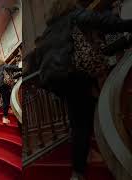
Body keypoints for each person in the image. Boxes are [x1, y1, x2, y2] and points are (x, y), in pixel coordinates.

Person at [39, 0, 132, 179]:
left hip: (54, 78)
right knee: (84, 119)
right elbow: (103, 22)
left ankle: (85, 154)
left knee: (78, 117)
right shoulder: (74, 16)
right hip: (73, 71)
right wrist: (127, 24)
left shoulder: (50, 30)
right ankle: (78, 172)